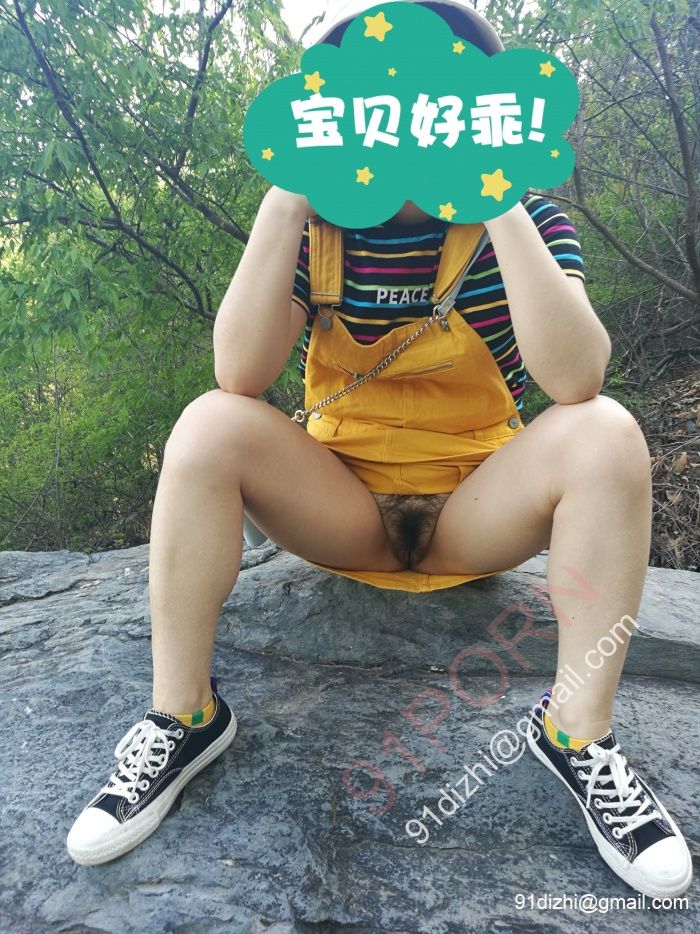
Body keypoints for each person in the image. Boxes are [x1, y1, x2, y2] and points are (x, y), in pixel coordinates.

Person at [66, 0, 692, 899]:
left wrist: (496, 198)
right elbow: (240, 372)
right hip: (344, 510)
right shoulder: (316, 226)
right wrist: (288, 195)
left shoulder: (525, 217)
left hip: (476, 513)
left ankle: (577, 735)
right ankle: (184, 716)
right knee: (208, 422)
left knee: (608, 432)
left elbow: (577, 377)